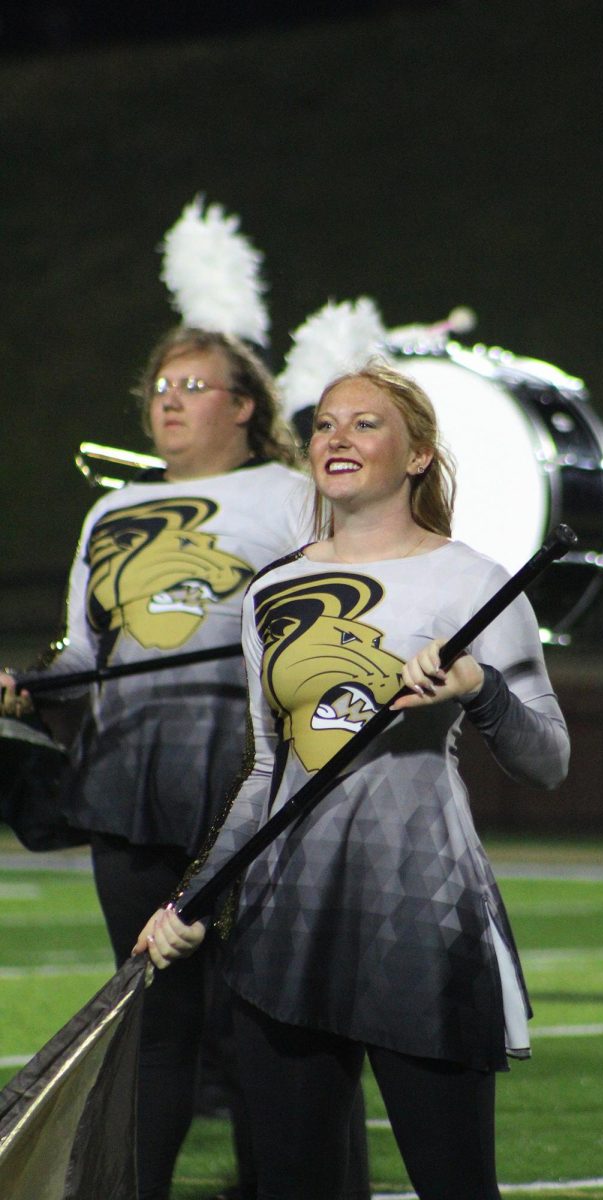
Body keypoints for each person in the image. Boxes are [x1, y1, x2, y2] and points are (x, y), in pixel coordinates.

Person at [134, 361, 570, 1200]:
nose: (337, 437)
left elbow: (546, 760)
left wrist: (480, 690)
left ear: (417, 455)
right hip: (285, 921)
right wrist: (189, 900)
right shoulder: (274, 591)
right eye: (326, 424)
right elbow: (267, 770)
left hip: (424, 914)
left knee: (456, 1185)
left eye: (365, 424)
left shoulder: (475, 581)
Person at [0, 327, 370, 1200]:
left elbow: (331, 617)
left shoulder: (288, 494)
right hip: (127, 783)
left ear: (244, 407)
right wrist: (27, 685)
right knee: (153, 1018)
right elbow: (88, 654)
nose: (168, 398)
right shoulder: (109, 513)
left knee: (262, 1021)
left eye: (194, 384)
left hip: (248, 780)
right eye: (161, 385)